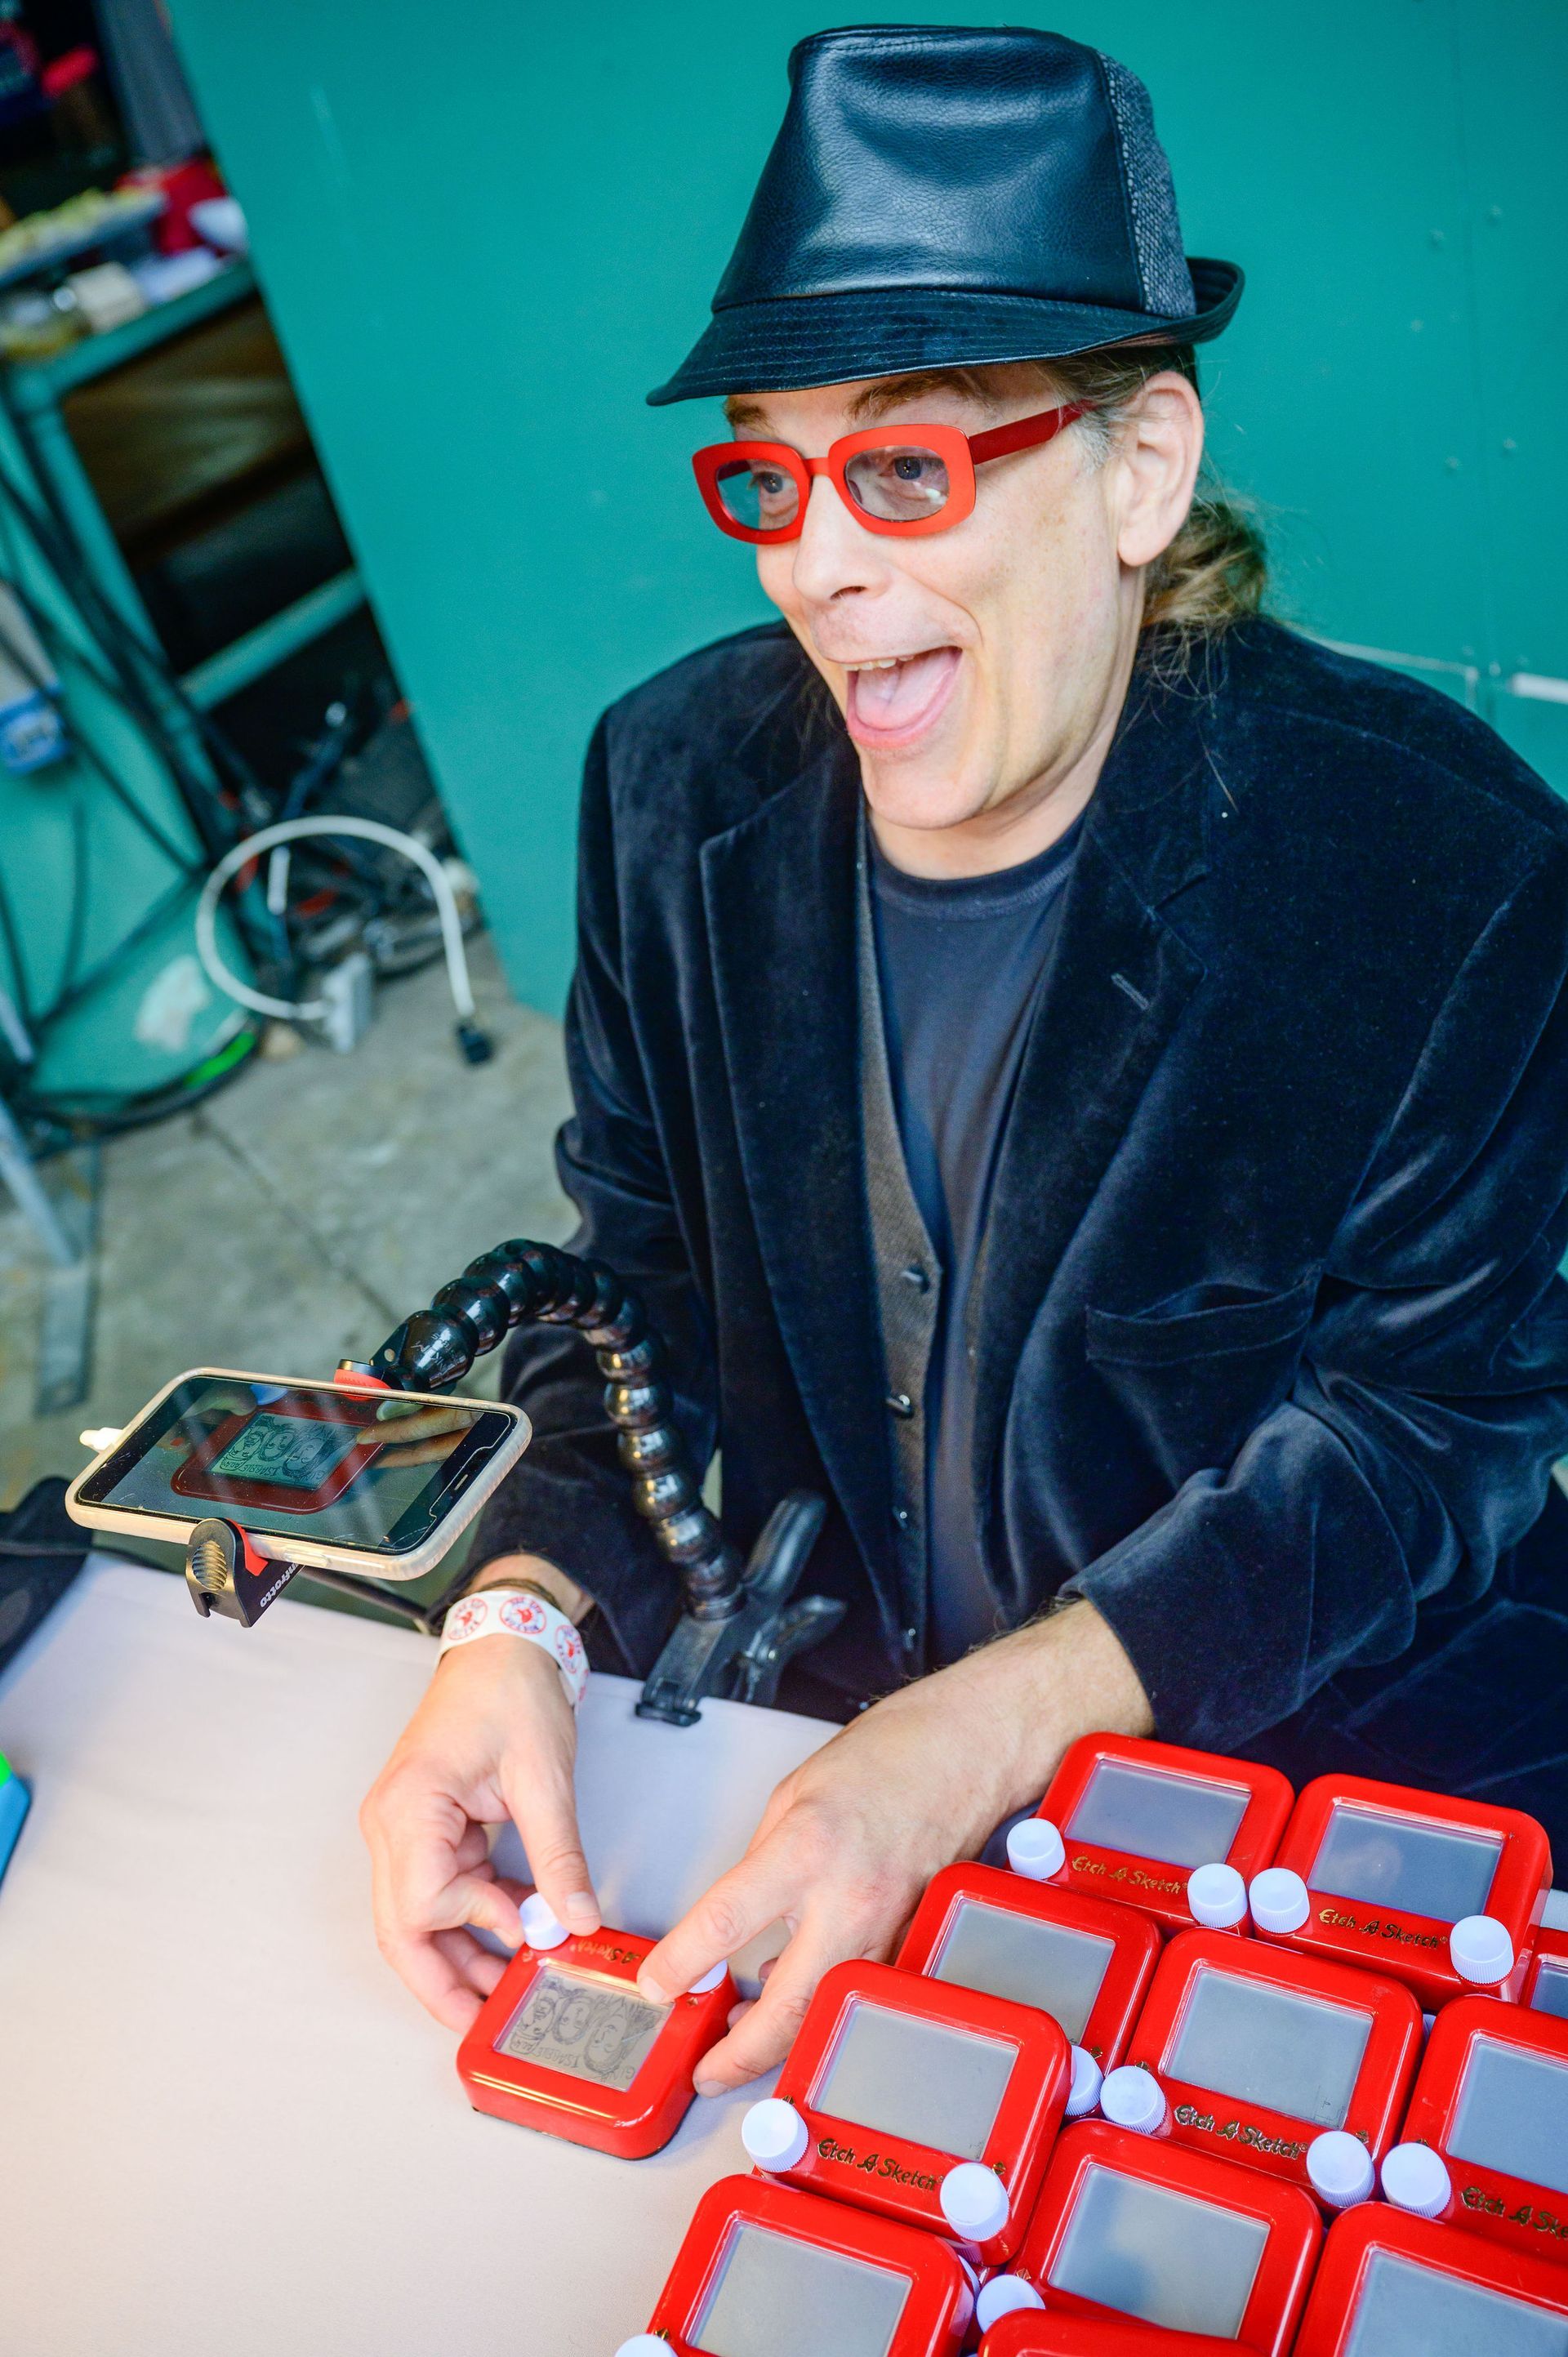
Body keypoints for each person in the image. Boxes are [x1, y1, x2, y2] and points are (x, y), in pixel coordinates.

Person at [361, 25, 1568, 2091]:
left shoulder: (1440, 865)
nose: (817, 567)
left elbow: (1435, 1439)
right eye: (767, 471)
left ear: (1142, 471)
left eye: (906, 467)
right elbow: (628, 1288)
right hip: (828, 1772)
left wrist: (983, 1740)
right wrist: (521, 1615)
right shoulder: (670, 788)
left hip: (1302, 1793)